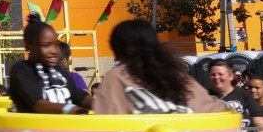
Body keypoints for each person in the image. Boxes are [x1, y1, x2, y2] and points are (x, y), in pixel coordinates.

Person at [93, 20, 226, 114]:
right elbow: (212, 107)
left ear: (118, 49)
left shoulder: (117, 77)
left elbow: (104, 117)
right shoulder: (177, 75)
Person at [7, 16, 91, 115]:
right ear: (28, 47)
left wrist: (98, 103)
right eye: (46, 45)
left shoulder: (59, 72)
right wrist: (70, 109)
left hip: (66, 127)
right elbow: (37, 104)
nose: (54, 51)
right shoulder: (22, 70)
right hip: (36, 128)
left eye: (57, 44)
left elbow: (79, 96)